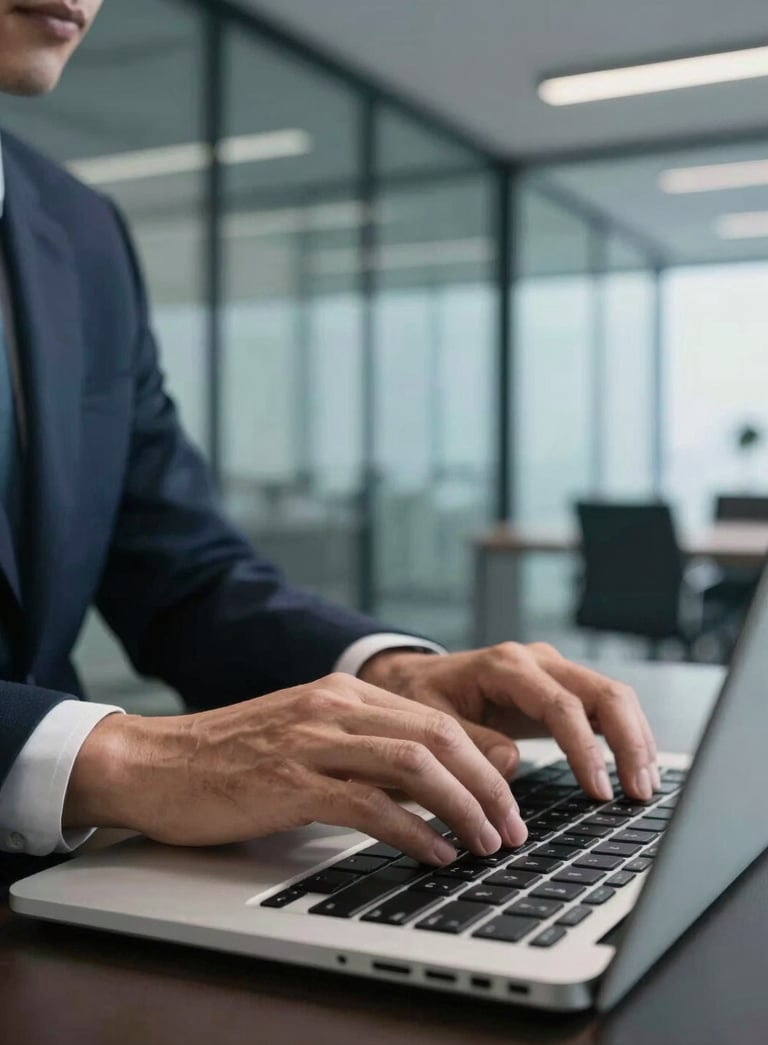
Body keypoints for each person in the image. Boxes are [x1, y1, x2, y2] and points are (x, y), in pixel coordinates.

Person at [0, 0, 658, 870]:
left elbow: (179, 571)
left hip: (52, 888)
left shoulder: (80, 232)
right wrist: (115, 756)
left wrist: (388, 672)